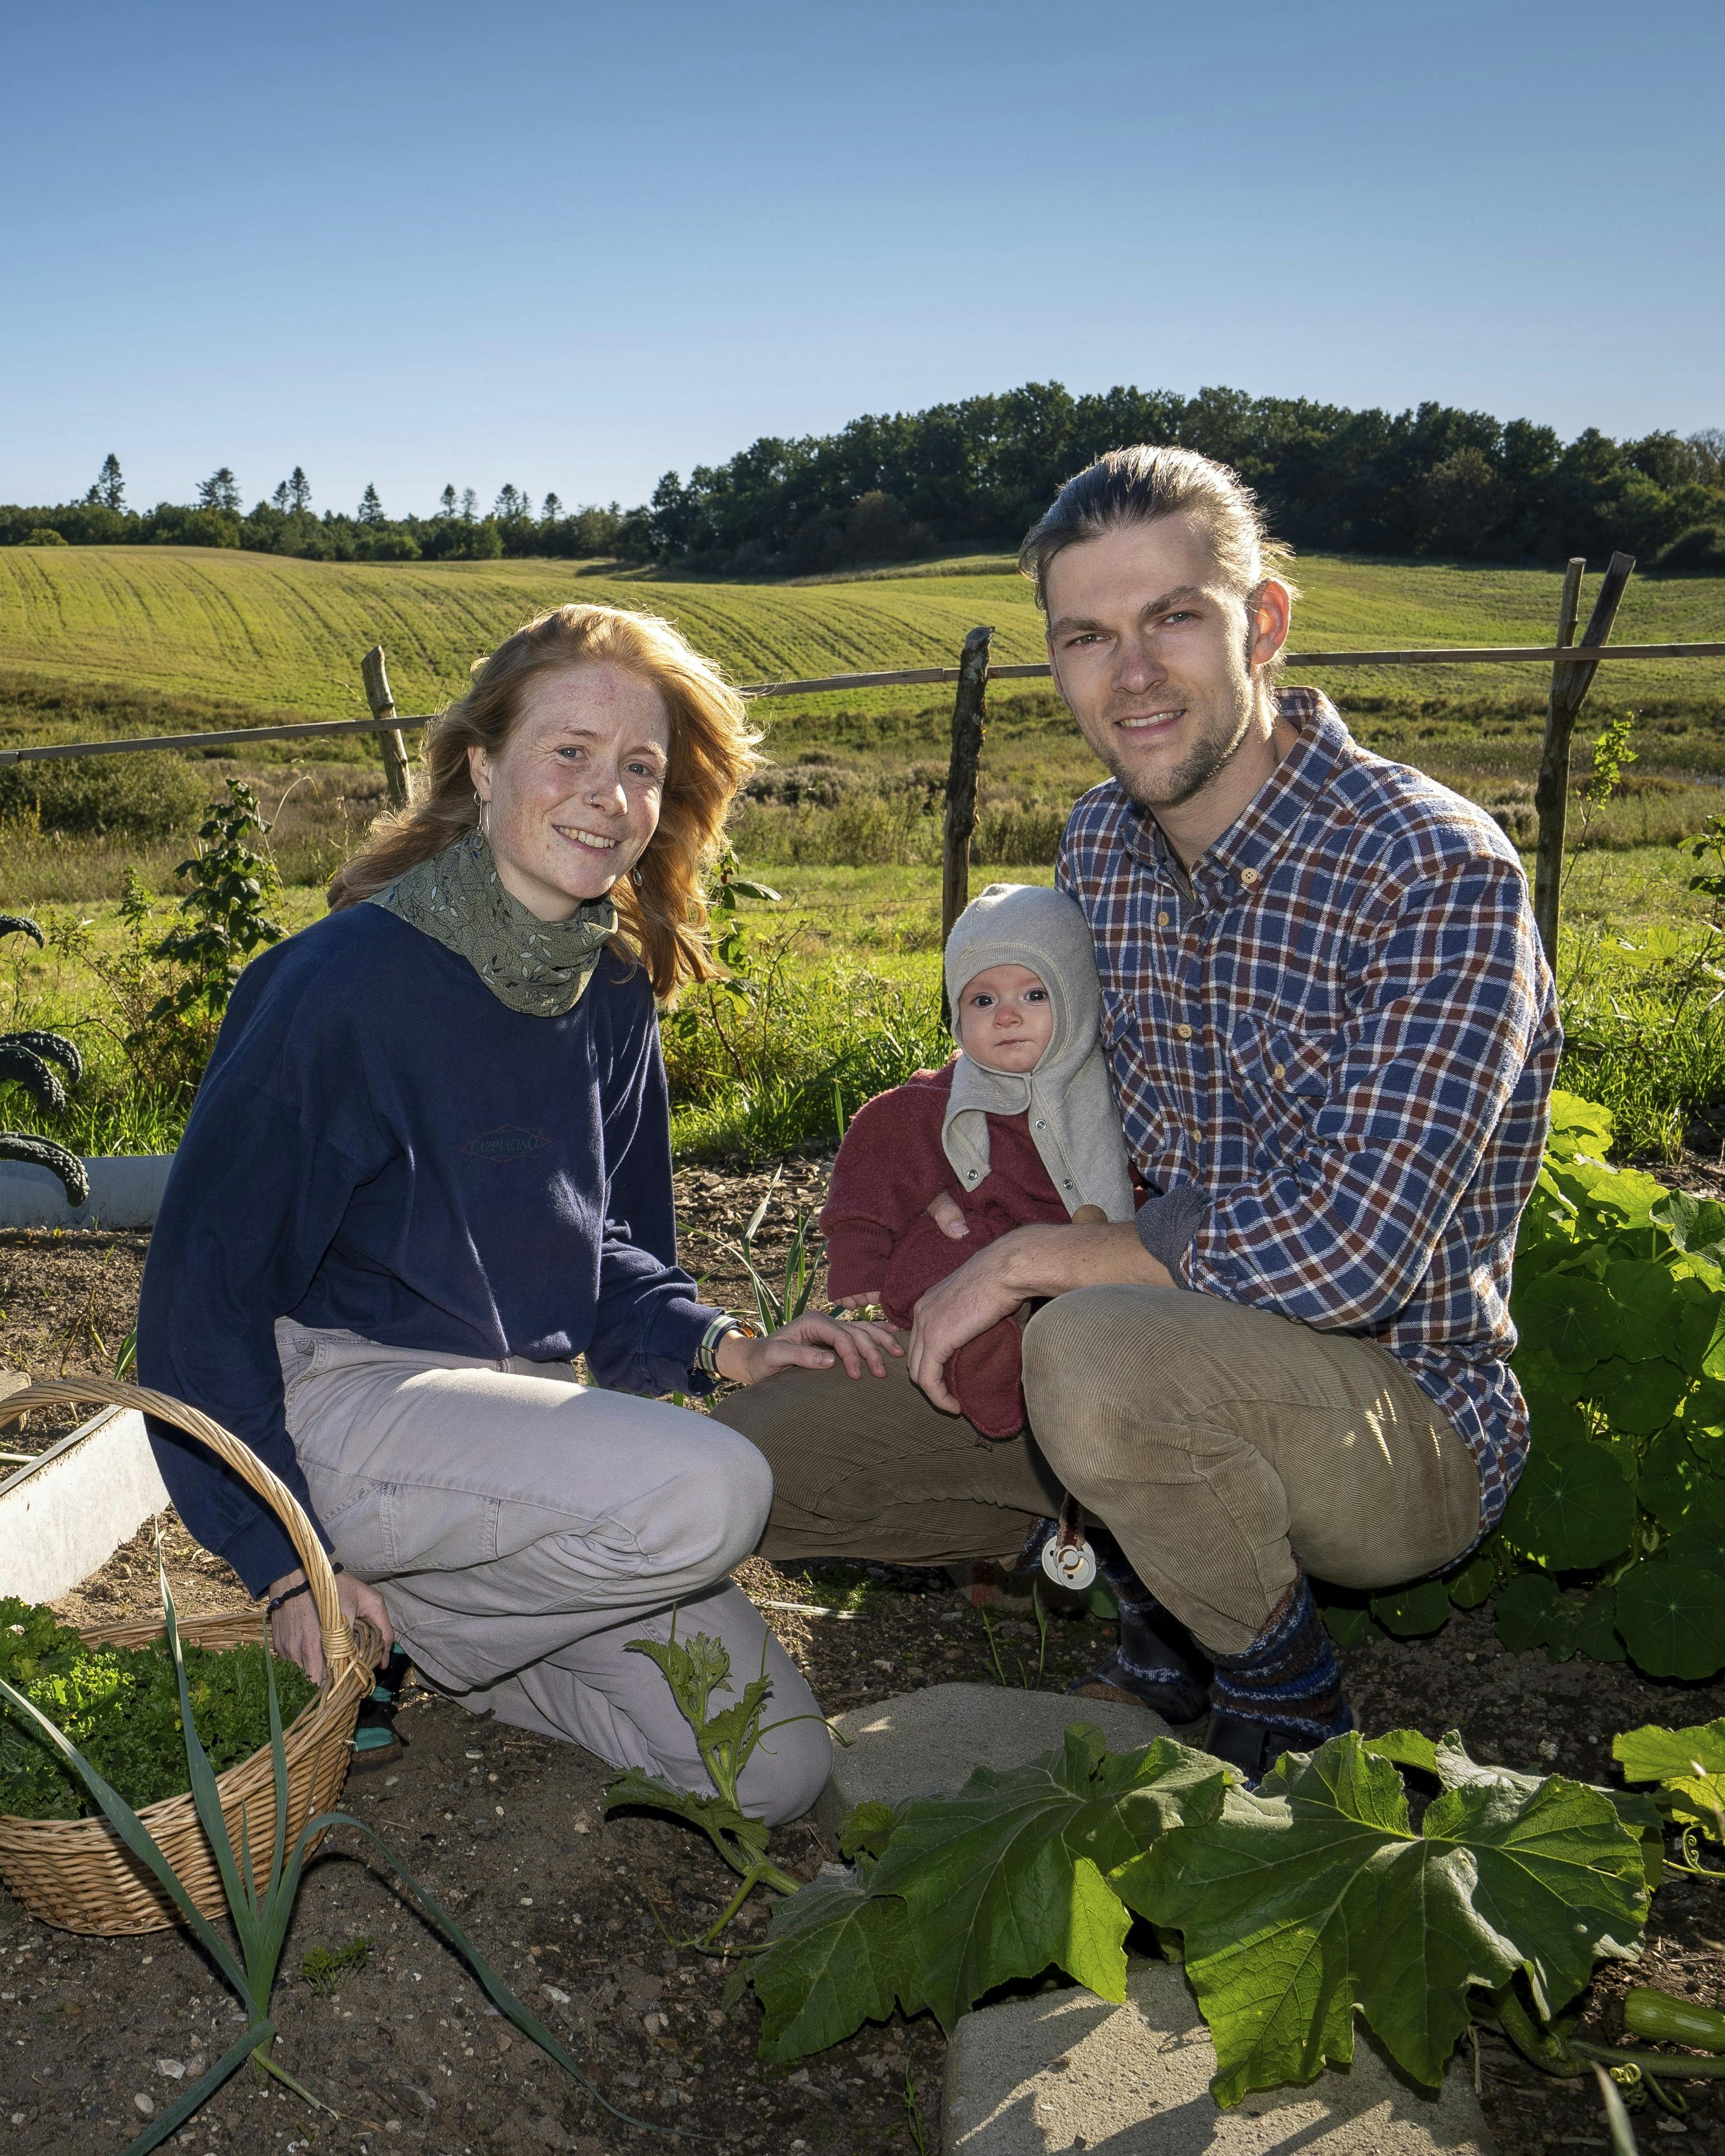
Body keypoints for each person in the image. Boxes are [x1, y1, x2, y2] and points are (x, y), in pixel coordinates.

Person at [712, 446, 1560, 1779]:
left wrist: (1031, 1259)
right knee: (762, 1463)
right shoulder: (1100, 849)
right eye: (1089, 637)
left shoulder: (1431, 868)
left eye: (1174, 617)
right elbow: (1046, 1101)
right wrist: (919, 1242)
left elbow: (1354, 1252)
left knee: (1096, 1345)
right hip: (1117, 1368)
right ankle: (1140, 1571)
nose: (1135, 673)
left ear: (1262, 622)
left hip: (1396, 1412)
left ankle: (1282, 1709)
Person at [136, 603, 898, 1823]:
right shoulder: (338, 988)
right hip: (346, 1404)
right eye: (570, 751)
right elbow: (199, 1293)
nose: (607, 794)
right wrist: (283, 1558)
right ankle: (345, 1616)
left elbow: (605, 1240)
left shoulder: (609, 993)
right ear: (483, 763)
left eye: (640, 767)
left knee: (772, 1768)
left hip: (506, 1439)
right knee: (713, 1493)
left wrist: (721, 1342)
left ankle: (432, 1636)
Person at [820, 880, 1135, 1439]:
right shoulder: (946, 1098)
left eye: (1034, 995)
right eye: (982, 1000)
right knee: (937, 1260)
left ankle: (1044, 1373)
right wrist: (857, 1251)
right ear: (956, 1015)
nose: (1006, 1017)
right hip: (982, 1248)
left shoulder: (1119, 1091)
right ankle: (984, 1363)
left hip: (1090, 1263)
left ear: (1079, 996)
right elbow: (876, 1154)